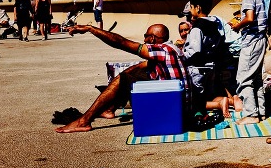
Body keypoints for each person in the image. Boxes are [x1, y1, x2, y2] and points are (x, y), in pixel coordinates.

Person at [55, 19, 190, 132]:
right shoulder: (171, 50)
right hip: (180, 108)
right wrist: (123, 76)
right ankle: (109, 109)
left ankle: (83, 121)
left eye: (146, 36)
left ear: (152, 38)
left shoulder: (163, 50)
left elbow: (121, 43)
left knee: (124, 78)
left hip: (173, 111)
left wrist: (91, 29)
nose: (144, 39)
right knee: (128, 75)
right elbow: (140, 66)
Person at [234, 0, 269, 120]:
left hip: (252, 41)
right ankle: (261, 111)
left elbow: (249, 18)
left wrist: (237, 26)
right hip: (260, 40)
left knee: (243, 78)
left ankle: (251, 114)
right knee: (256, 79)